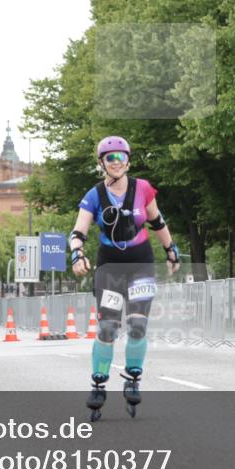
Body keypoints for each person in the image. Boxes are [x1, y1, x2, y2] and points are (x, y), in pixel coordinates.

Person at [69, 136, 179, 421]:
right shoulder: (94, 195)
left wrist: (171, 250)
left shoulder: (142, 188)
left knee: (138, 324)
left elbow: (157, 222)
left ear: (128, 160)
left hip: (140, 263)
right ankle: (98, 382)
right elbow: (78, 232)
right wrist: (77, 254)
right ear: (102, 163)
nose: (116, 162)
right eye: (110, 158)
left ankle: (133, 376)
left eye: (120, 157)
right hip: (110, 267)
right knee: (107, 327)